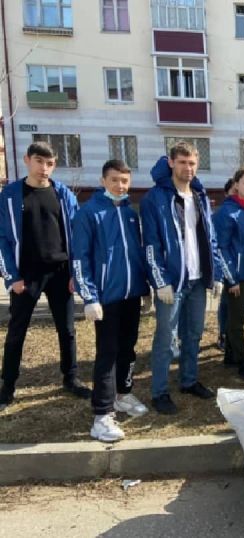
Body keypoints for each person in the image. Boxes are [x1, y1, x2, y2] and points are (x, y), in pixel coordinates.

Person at [0, 142, 90, 411]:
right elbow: (3, 240)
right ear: (27, 160)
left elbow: (77, 236)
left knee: (68, 330)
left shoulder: (63, 194)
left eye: (49, 163)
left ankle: (70, 378)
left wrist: (75, 273)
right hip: (26, 276)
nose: (44, 168)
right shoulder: (11, 195)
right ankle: (7, 385)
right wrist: (11, 277)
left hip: (60, 273)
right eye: (39, 161)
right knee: (17, 331)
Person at [72, 159, 150, 442]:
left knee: (128, 349)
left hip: (130, 295)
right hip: (105, 298)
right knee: (107, 353)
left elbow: (137, 255)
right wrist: (89, 297)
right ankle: (101, 415)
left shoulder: (130, 212)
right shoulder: (89, 213)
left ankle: (123, 394)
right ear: (104, 180)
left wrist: (144, 289)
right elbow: (79, 259)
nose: (120, 185)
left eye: (125, 181)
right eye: (115, 179)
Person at [141, 141, 221, 415]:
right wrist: (159, 280)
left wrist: (216, 272)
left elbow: (210, 238)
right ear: (171, 163)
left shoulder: (198, 195)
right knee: (166, 338)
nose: (188, 167)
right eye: (183, 162)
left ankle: (188, 380)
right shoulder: (157, 198)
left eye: (192, 163)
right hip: (172, 283)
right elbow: (150, 243)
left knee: (194, 333)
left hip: (198, 280)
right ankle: (159, 392)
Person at [215, 167, 244, 382]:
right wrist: (231, 278)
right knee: (236, 321)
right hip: (237, 278)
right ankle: (243, 362)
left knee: (240, 316)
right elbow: (221, 248)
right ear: (236, 185)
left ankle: (230, 356)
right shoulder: (227, 212)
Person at [215, 178, 237, 352]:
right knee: (225, 303)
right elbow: (220, 245)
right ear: (226, 193)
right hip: (226, 265)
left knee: (234, 306)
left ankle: (228, 335)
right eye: (233, 191)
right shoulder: (223, 213)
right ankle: (223, 334)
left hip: (240, 267)